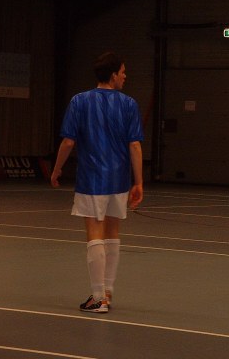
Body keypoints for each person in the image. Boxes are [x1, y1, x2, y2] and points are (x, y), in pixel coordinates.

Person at [51, 52, 144, 313]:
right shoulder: (129, 104)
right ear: (113, 75)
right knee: (112, 233)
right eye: (123, 72)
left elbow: (68, 141)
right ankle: (108, 292)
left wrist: (56, 169)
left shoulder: (79, 101)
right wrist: (138, 182)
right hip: (119, 180)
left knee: (94, 234)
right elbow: (135, 145)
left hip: (92, 180)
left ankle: (98, 297)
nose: (125, 76)